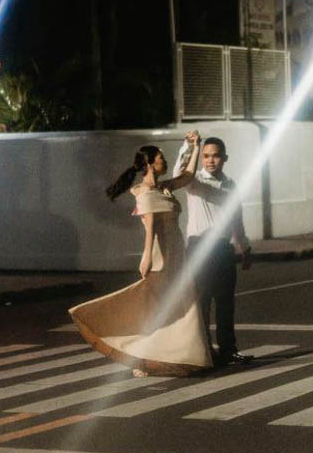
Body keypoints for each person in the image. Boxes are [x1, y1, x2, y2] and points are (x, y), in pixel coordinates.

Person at [68, 132, 213, 377]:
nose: (165, 161)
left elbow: (188, 176)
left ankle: (180, 354)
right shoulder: (145, 193)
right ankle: (141, 358)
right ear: (149, 164)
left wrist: (195, 146)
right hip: (161, 256)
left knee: (181, 303)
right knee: (157, 308)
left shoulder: (163, 187)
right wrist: (146, 257)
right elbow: (151, 227)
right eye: (161, 158)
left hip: (176, 253)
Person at [181, 135, 253, 365]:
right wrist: (190, 147)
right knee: (202, 301)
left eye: (215, 156)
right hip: (199, 247)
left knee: (225, 302)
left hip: (223, 248)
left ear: (225, 158)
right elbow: (178, 173)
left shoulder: (230, 184)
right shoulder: (194, 181)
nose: (210, 161)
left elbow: (236, 217)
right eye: (206, 156)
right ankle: (203, 350)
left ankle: (228, 349)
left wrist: (244, 246)